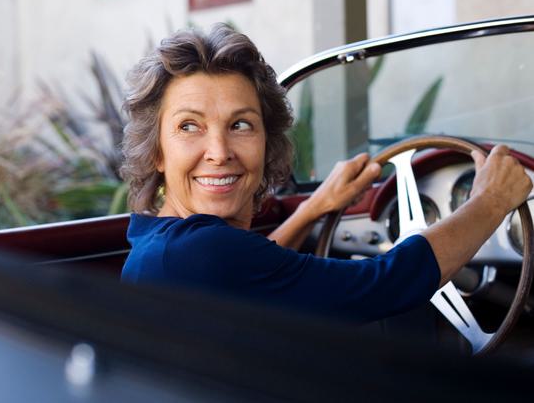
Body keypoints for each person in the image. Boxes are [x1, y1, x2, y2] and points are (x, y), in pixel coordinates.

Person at [120, 23, 532, 323]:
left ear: (267, 141)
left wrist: (315, 207)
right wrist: (491, 202)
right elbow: (383, 284)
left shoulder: (162, 244)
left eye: (241, 124)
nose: (220, 152)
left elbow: (260, 271)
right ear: (156, 150)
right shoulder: (199, 253)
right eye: (189, 126)